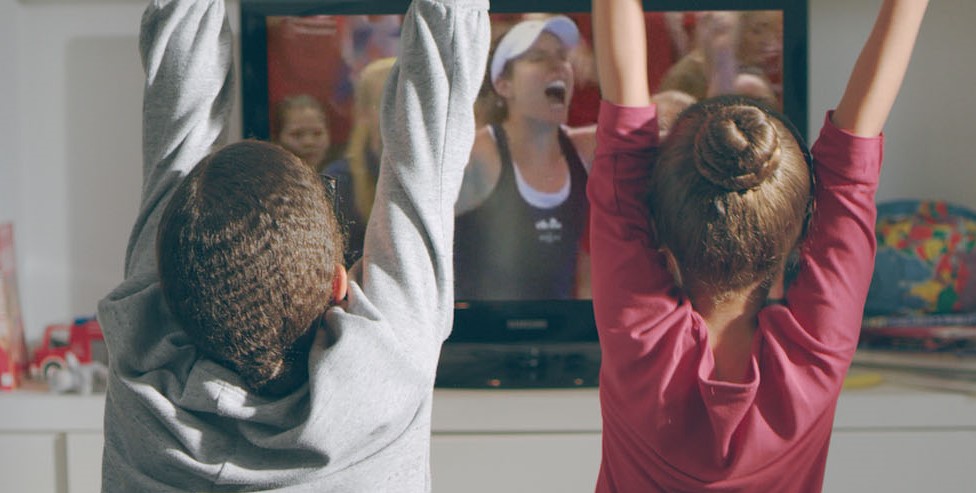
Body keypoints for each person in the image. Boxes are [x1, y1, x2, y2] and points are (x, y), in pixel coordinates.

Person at [97, 0, 489, 490]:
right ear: (337, 281)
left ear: (167, 294)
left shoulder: (138, 357)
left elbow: (423, 154)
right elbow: (427, 150)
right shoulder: (387, 372)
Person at [589, 0, 927, 491]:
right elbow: (852, 173)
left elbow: (851, 173)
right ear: (796, 229)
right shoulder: (815, 355)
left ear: (658, 221)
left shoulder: (640, 339)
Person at [456, 15, 597, 301]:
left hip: (559, 339)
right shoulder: (477, 155)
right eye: (537, 57)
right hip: (478, 340)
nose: (558, 65)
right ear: (504, 85)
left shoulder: (585, 149)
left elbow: (653, 129)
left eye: (562, 56)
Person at [322, 57, 396, 267]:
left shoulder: (439, 179)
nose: (400, 113)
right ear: (363, 113)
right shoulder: (339, 181)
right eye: (386, 104)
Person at [271, 93, 332, 172]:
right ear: (277, 139)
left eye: (317, 133)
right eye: (297, 134)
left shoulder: (342, 177)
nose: (309, 142)